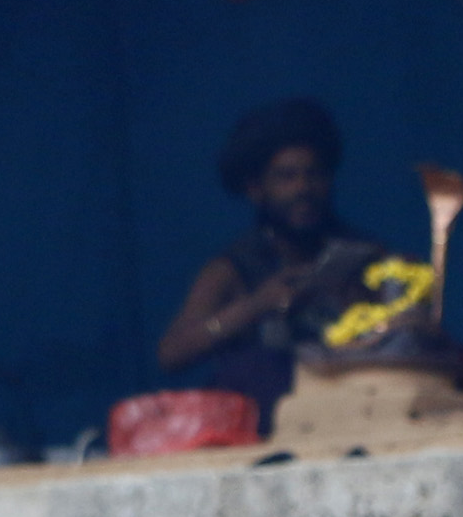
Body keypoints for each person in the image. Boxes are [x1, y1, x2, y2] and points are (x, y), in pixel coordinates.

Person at [155, 97, 391, 435]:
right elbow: (171, 354)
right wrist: (255, 306)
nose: (303, 188)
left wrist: (358, 304)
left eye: (314, 175)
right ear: (256, 189)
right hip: (264, 437)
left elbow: (410, 337)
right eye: (286, 177)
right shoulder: (231, 270)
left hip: (352, 425)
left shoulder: (363, 257)